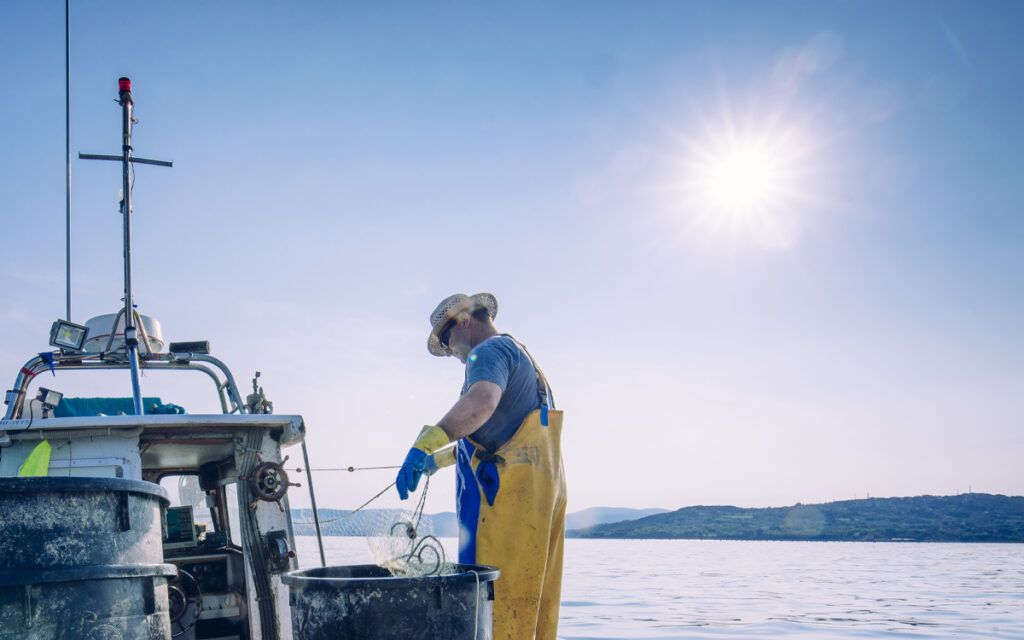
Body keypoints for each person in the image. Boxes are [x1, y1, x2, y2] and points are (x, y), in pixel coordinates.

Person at [395, 292, 566, 640]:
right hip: (541, 500)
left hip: (507, 506)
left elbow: (482, 404)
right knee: (532, 614)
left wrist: (424, 443)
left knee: (496, 612)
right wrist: (438, 461)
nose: (449, 353)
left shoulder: (486, 352)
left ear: (464, 320)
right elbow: (502, 435)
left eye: (446, 340)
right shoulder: (522, 357)